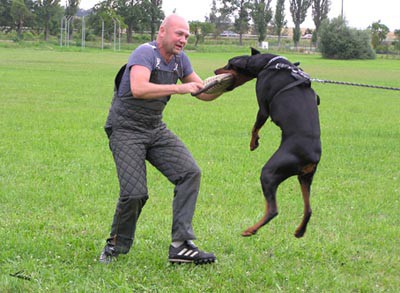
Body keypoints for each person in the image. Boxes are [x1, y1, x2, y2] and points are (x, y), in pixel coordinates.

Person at [99, 14, 223, 265]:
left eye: (187, 36)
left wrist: (231, 81)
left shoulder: (180, 61)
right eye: (179, 34)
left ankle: (181, 245)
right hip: (125, 129)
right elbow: (139, 88)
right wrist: (179, 88)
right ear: (163, 32)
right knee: (134, 193)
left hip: (154, 128)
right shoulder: (145, 53)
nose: (183, 40)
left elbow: (202, 92)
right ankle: (115, 246)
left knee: (189, 172)